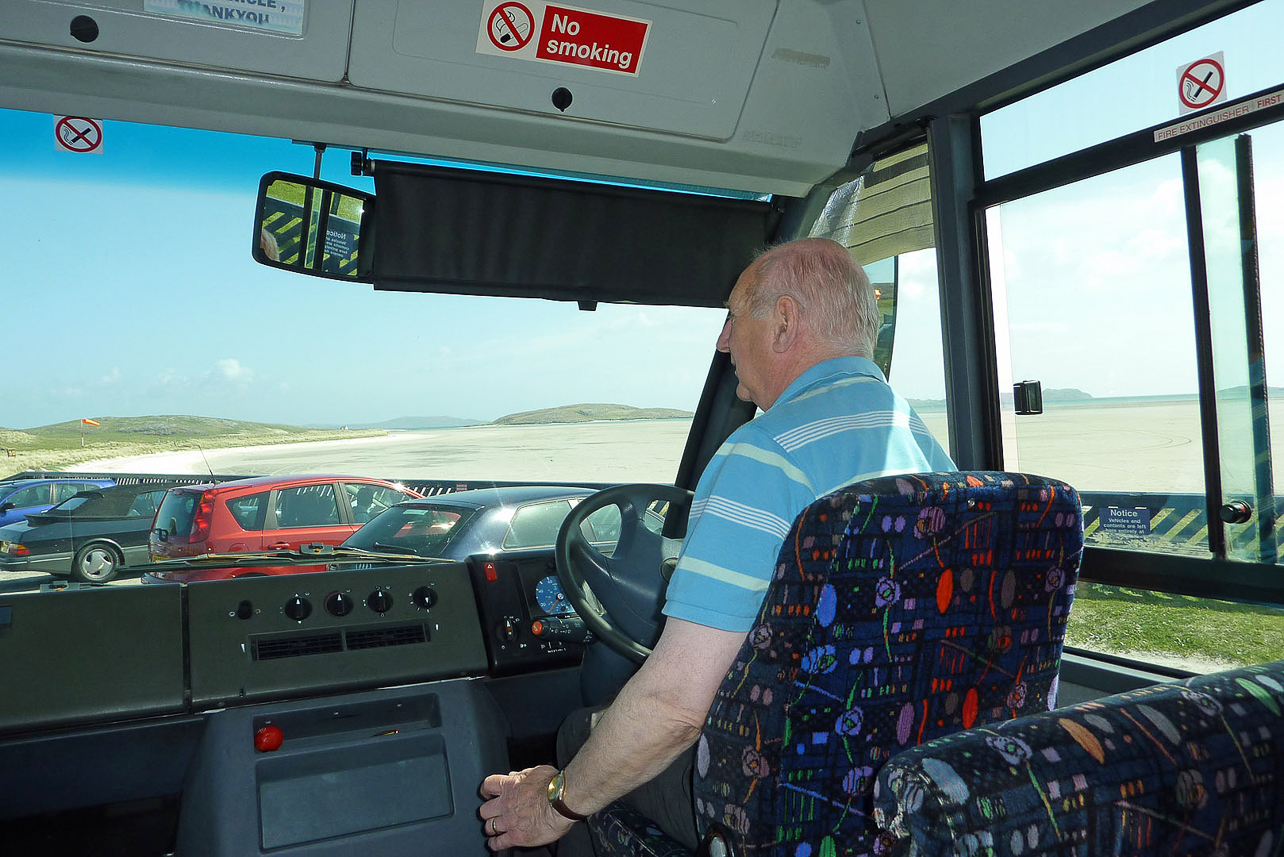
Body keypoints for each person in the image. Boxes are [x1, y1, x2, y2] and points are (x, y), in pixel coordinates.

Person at [478, 237, 956, 852]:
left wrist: (553, 803)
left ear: (784, 322)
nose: (722, 340)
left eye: (733, 316)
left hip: (783, 802)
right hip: (911, 781)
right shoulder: (931, 456)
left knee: (578, 736)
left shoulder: (766, 455)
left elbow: (678, 708)